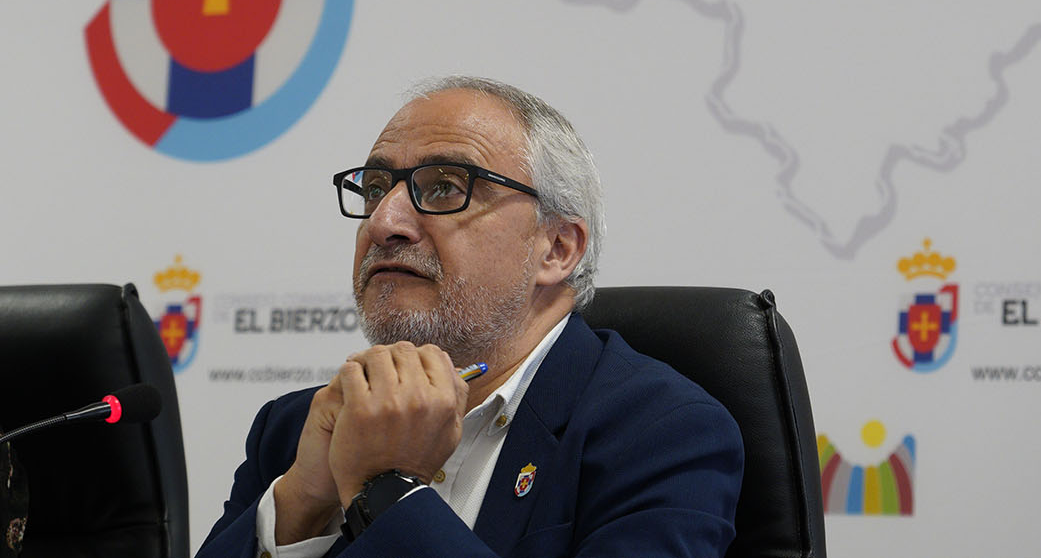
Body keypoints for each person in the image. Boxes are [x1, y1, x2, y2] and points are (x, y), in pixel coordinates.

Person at [196, 77, 743, 558]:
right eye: (375, 188)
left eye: (443, 188)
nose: (384, 221)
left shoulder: (663, 433)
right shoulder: (295, 430)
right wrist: (302, 502)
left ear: (556, 247)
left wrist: (387, 489)